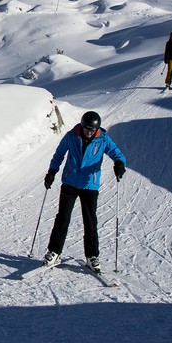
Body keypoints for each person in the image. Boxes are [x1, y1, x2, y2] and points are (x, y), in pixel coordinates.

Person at [41, 111, 126, 273]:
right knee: (63, 218)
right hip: (70, 183)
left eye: (91, 130)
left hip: (90, 185)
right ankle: (54, 252)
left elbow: (117, 153)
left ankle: (92, 256)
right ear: (81, 125)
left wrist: (120, 163)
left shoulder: (103, 139)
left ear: (96, 128)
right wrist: (52, 171)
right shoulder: (71, 136)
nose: (89, 132)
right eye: (86, 129)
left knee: (90, 220)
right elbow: (59, 154)